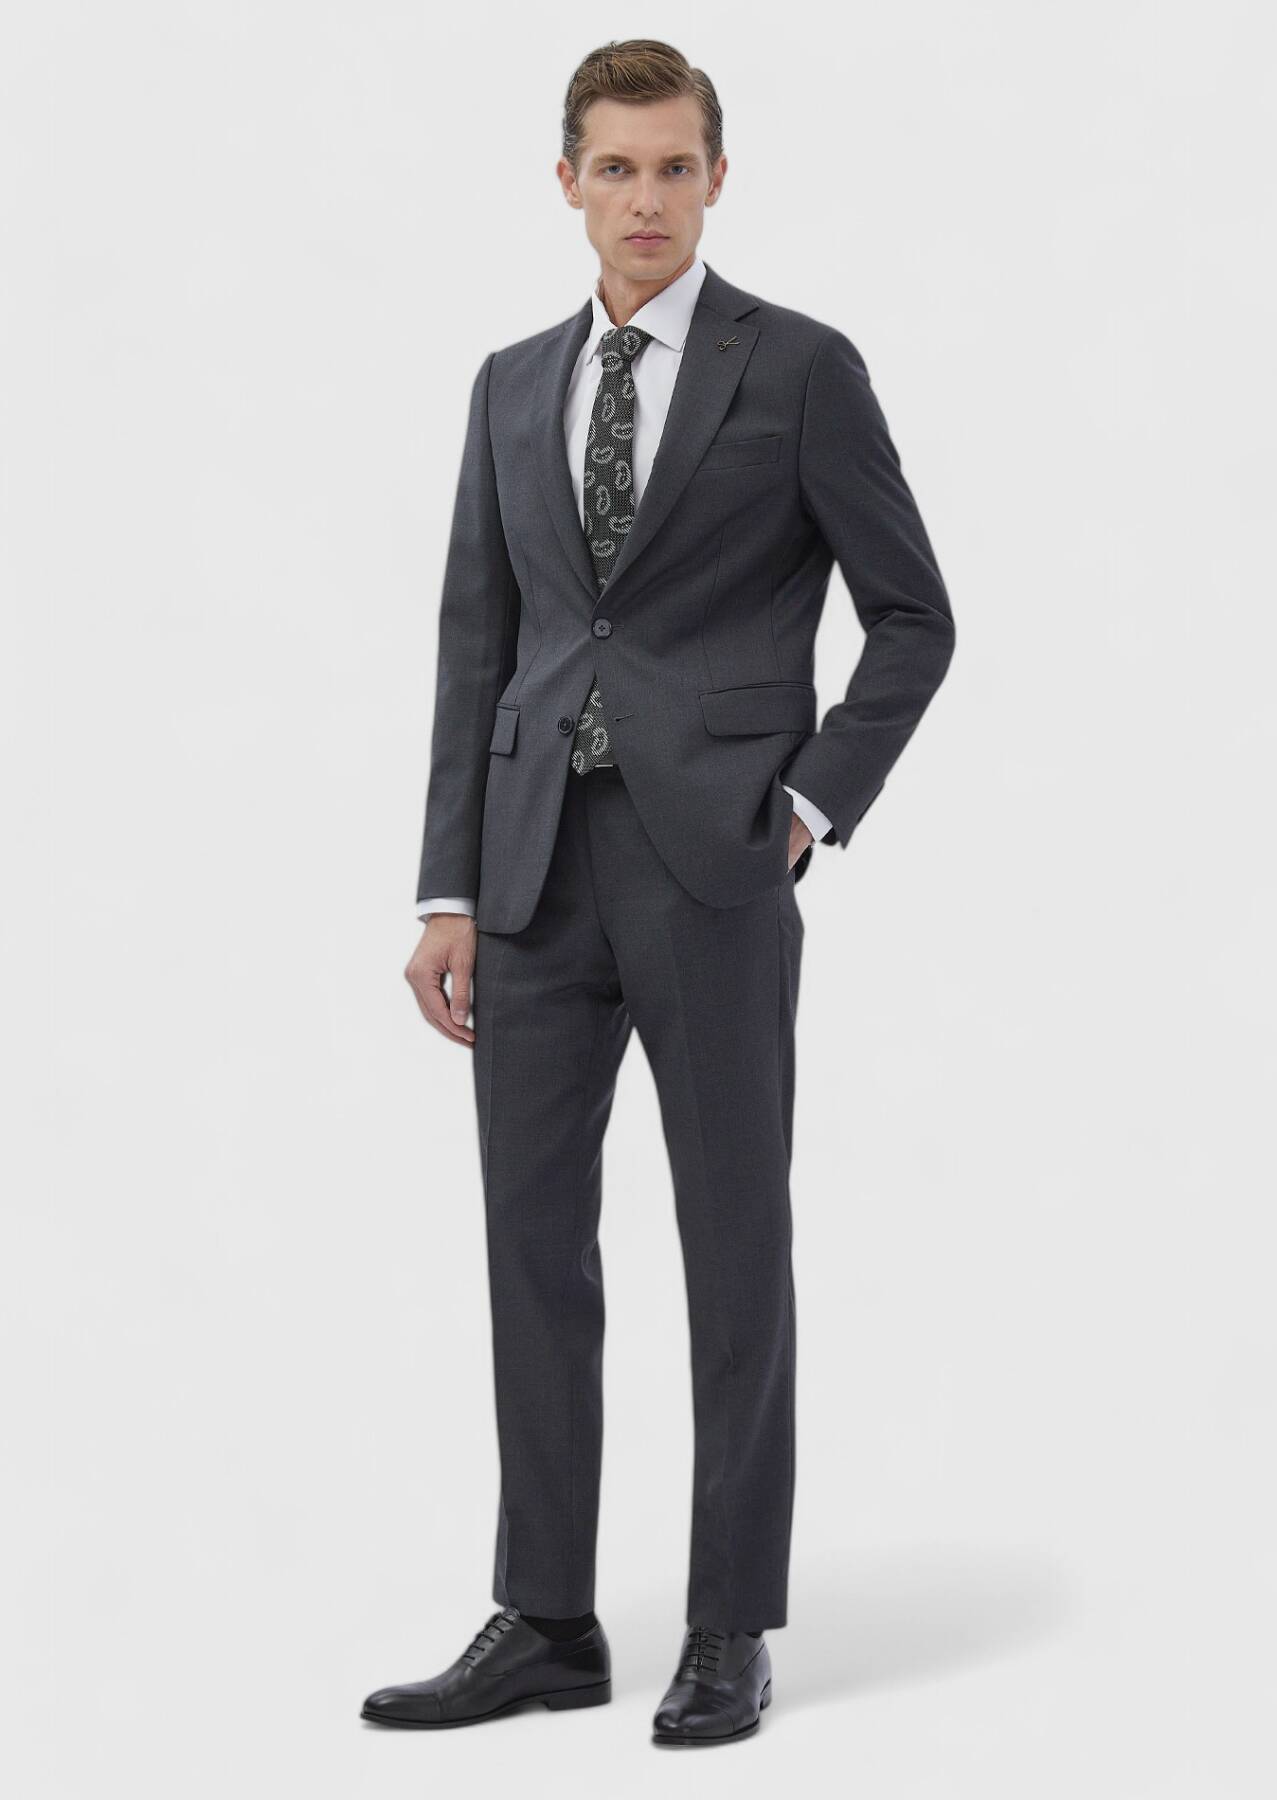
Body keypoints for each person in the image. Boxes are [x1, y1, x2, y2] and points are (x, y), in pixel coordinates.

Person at [362, 37, 954, 1746]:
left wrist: (810, 801)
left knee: (732, 1241)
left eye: (674, 166)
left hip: (711, 866)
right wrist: (447, 888)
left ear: (716, 178)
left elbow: (913, 616)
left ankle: (727, 1622)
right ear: (567, 182)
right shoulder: (507, 383)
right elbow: (478, 643)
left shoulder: (801, 368)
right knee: (529, 1248)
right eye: (614, 168)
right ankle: (546, 1616)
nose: (645, 199)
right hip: (531, 872)